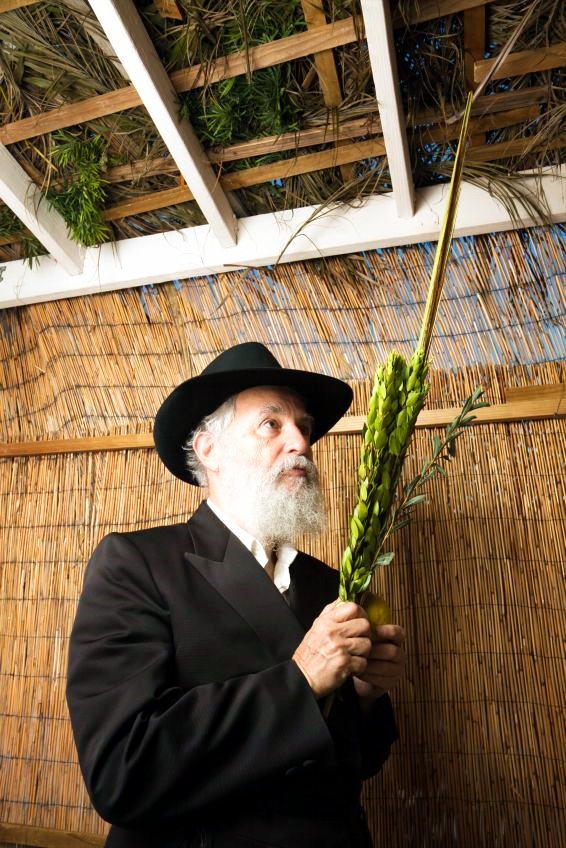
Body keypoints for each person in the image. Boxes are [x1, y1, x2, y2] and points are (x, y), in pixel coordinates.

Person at [66, 342, 406, 848]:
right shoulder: (136, 565)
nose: (301, 442)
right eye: (272, 424)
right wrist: (302, 680)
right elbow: (123, 771)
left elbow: (355, 765)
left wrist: (365, 697)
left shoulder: (333, 585)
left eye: (304, 427)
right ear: (209, 449)